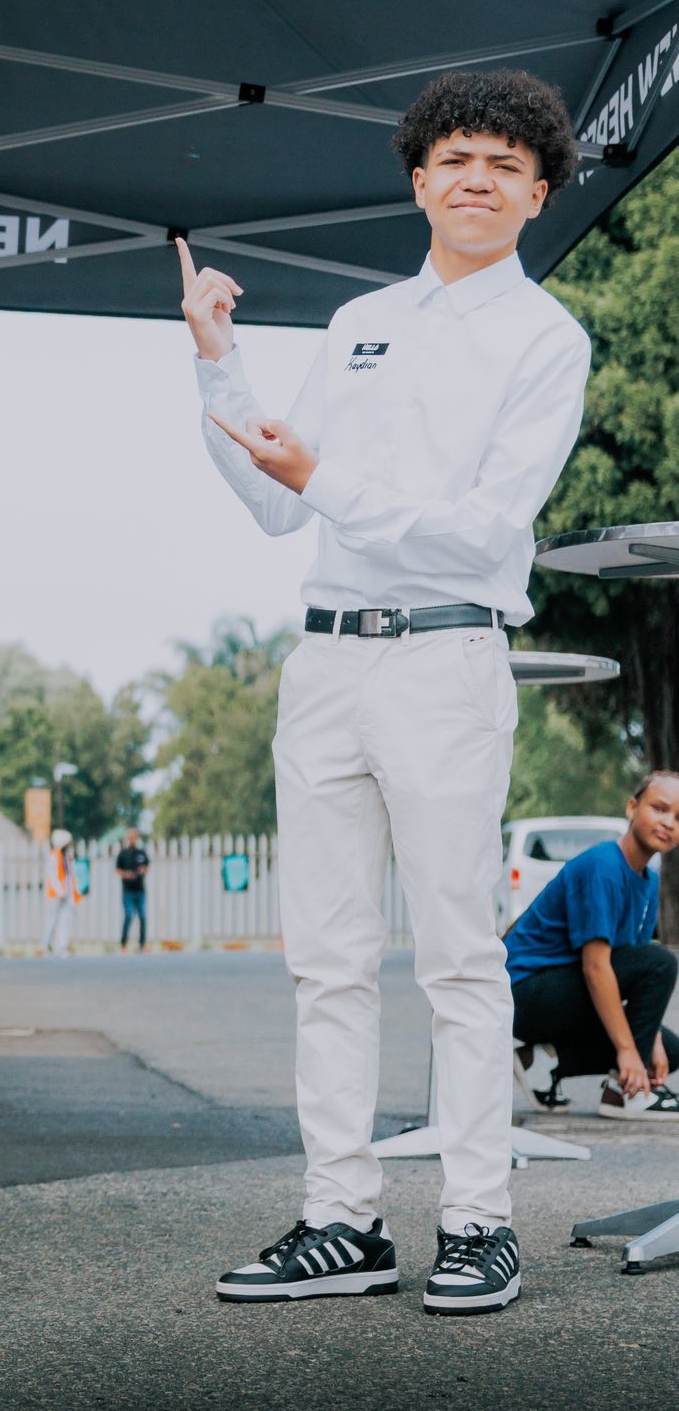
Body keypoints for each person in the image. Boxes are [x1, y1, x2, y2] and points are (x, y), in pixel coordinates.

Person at [183, 69, 589, 1316]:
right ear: (418, 177)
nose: (478, 178)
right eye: (457, 156)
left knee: (461, 958)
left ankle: (478, 1222)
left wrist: (327, 478)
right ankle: (341, 1218)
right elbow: (269, 495)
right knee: (328, 959)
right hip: (326, 662)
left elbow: (482, 535)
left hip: (445, 658)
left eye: (507, 165)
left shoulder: (548, 338)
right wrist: (218, 365)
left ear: (537, 196)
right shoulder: (361, 317)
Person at [508, 772, 679, 1120]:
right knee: (661, 962)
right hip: (524, 994)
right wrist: (630, 1053)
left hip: (564, 994)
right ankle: (623, 1093)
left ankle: (541, 1062)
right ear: (632, 807)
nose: (668, 823)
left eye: (678, 818)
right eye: (660, 809)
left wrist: (649, 1047)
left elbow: (631, 967)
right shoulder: (603, 866)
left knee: (671, 1048)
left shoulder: (647, 881)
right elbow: (597, 967)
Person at [43, 828, 82, 954]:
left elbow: (70, 875)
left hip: (67, 894)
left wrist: (72, 892)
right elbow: (53, 876)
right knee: (52, 919)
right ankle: (46, 944)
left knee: (65, 920)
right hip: (56, 895)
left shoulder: (67, 856)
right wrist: (60, 892)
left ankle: (62, 946)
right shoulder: (54, 855)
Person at [116, 828, 151, 951]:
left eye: (134, 837)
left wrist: (143, 870)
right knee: (129, 915)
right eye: (130, 837)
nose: (132, 840)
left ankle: (142, 944)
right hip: (128, 890)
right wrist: (126, 874)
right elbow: (118, 869)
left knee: (143, 916)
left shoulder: (141, 853)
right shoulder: (123, 853)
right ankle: (123, 944)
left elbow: (147, 866)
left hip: (140, 890)